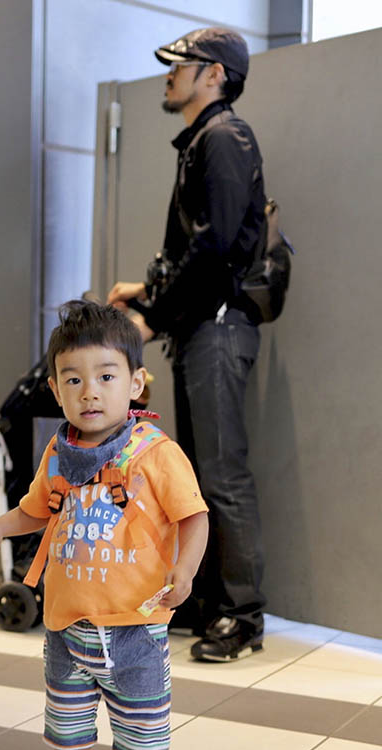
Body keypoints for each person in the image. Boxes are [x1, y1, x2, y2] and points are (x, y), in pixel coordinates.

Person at [0, 301, 208, 750]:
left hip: (135, 625)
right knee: (67, 718)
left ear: (136, 382)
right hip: (67, 621)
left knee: (143, 724)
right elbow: (35, 510)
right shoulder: (59, 450)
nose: (90, 392)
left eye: (106, 377)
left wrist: (186, 570)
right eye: (74, 380)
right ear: (55, 388)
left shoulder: (156, 453)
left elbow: (193, 516)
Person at [108, 27, 267, 662]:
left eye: (184, 64)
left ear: (216, 76)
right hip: (204, 325)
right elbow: (201, 246)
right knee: (197, 477)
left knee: (221, 475)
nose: (170, 74)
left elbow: (216, 249)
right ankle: (202, 601)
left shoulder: (223, 138)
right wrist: (148, 292)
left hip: (219, 327)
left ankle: (241, 616)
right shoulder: (204, 139)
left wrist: (153, 317)